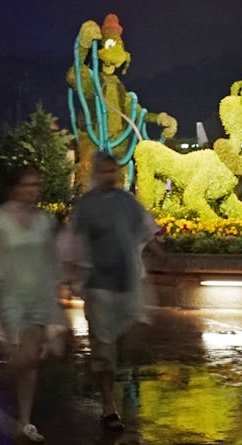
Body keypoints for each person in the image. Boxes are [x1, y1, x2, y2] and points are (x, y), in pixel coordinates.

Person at [66, 152, 162, 433]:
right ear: (97, 174)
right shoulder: (86, 206)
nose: (111, 177)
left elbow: (145, 228)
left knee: (129, 339)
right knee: (104, 350)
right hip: (99, 287)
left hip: (128, 283)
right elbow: (73, 243)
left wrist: (160, 251)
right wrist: (71, 277)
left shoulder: (126, 202)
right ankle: (109, 406)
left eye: (114, 171)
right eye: (105, 172)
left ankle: (105, 370)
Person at [0, 167, 63, 444]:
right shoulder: (0, 221)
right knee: (23, 356)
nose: (32, 190)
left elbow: (51, 259)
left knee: (32, 362)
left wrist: (58, 292)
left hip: (39, 296)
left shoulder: (44, 221)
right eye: (27, 185)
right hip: (11, 296)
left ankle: (25, 420)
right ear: (14, 188)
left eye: (36, 185)